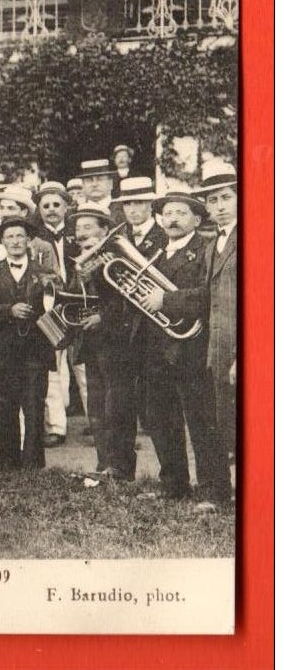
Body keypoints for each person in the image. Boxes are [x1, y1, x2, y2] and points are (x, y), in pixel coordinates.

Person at [137, 191, 229, 509]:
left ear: (196, 220)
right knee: (162, 420)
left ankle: (213, 490)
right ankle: (174, 485)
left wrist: (167, 300)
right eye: (167, 213)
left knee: (201, 423)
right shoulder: (154, 251)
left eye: (180, 213)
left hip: (190, 347)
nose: (172, 218)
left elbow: (208, 296)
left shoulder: (205, 251)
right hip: (156, 348)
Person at [0, 217, 54, 470]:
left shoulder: (43, 273)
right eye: (10, 237)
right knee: (6, 405)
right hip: (2, 352)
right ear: (2, 242)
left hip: (35, 351)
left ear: (29, 241)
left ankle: (33, 462)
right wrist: (9, 310)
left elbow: (56, 308)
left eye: (20, 236)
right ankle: (8, 462)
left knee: (34, 406)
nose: (16, 241)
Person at [184, 162, 237, 479]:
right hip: (217, 349)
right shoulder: (212, 245)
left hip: (240, 350)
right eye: (213, 200)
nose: (220, 206)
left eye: (226, 197)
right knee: (226, 423)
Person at [66, 202, 127, 476]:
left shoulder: (115, 257)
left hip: (113, 341)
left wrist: (102, 317)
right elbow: (71, 298)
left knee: (115, 406)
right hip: (89, 343)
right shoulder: (79, 260)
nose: (81, 232)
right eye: (78, 227)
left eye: (88, 226)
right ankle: (103, 463)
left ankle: (120, 465)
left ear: (104, 230)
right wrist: (77, 278)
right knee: (96, 407)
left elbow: (126, 299)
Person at [33, 180, 79, 447]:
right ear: (39, 209)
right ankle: (56, 426)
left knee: (82, 366)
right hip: (50, 305)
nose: (51, 210)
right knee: (54, 365)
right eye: (45, 205)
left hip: (79, 304)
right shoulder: (34, 237)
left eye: (56, 205)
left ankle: (102, 429)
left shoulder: (78, 231)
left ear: (66, 207)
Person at [115, 176, 167, 258]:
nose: (132, 210)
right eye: (127, 204)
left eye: (139, 203)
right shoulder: (119, 236)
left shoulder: (165, 237)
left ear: (151, 205)